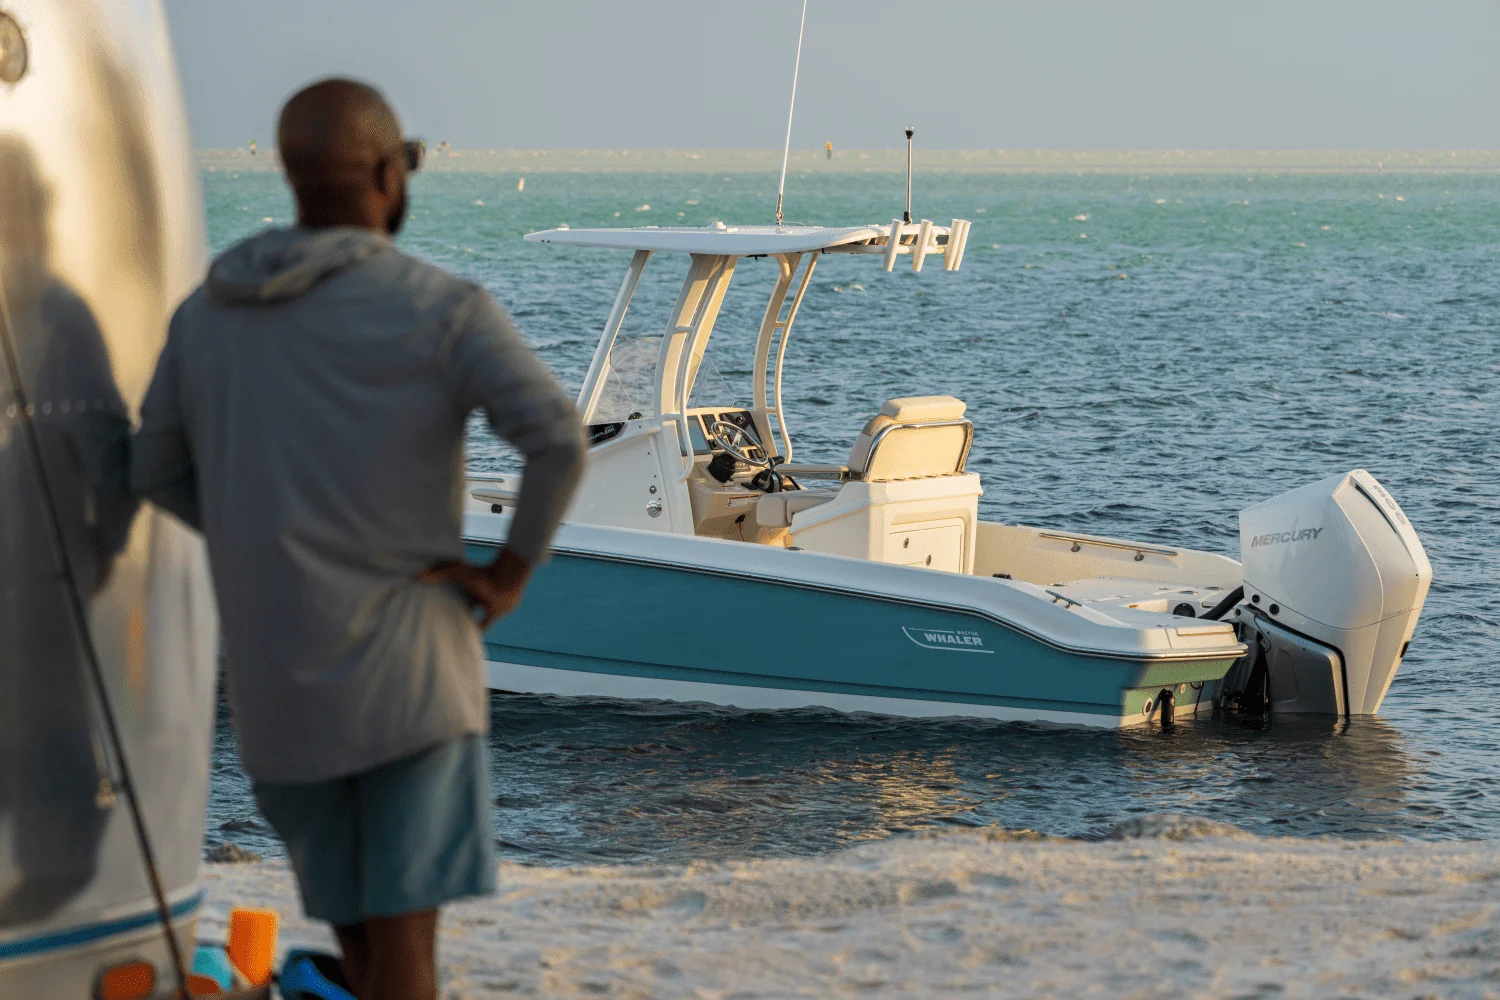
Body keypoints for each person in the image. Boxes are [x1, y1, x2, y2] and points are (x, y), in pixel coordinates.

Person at [132, 79, 586, 1000]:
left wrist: (259, 540)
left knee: (363, 957)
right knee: (406, 961)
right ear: (387, 173)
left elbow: (151, 472)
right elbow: (558, 439)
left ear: (292, 177)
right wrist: (509, 572)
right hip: (408, 684)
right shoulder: (440, 306)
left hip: (277, 692)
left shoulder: (207, 314)